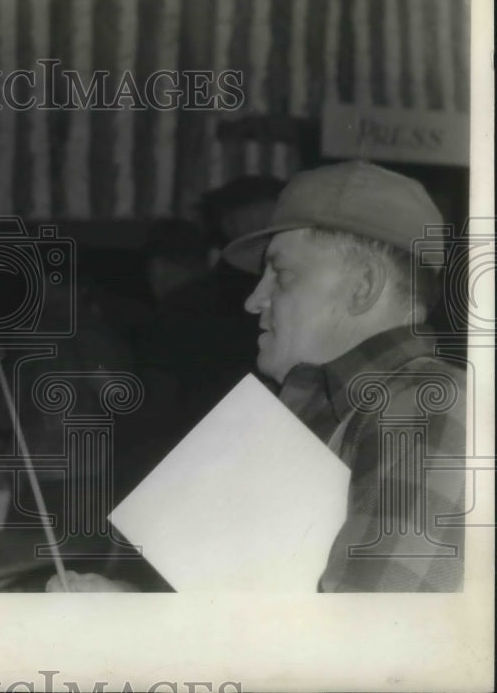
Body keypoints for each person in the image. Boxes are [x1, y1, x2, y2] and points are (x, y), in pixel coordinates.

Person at [50, 161, 465, 592]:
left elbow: (371, 649)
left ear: (363, 286)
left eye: (281, 275)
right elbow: (228, 606)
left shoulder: (429, 407)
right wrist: (126, 606)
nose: (253, 300)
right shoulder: (309, 403)